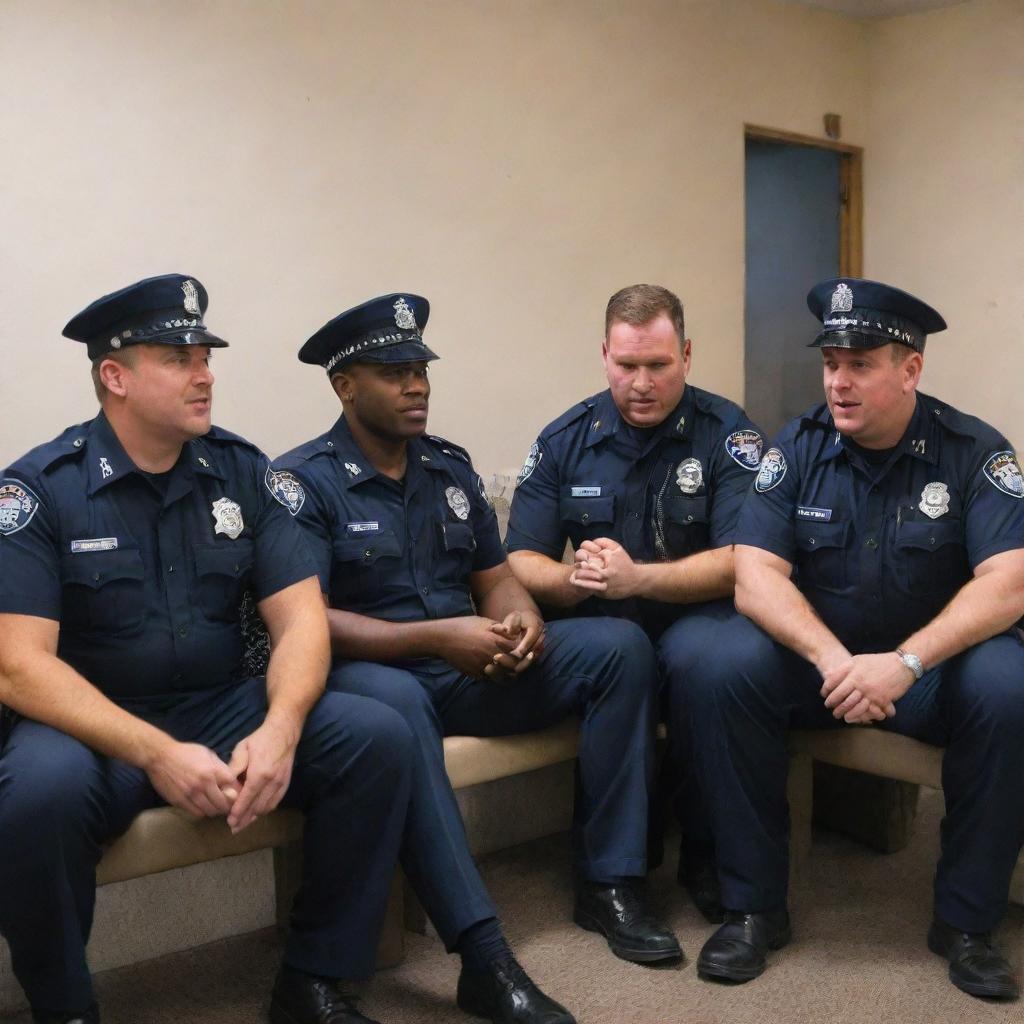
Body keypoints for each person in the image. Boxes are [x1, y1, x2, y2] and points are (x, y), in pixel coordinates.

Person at [0, 275, 415, 1024]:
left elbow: (302, 622)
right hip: (97, 726)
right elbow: (18, 665)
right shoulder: (40, 490)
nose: (205, 373)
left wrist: (282, 729)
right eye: (179, 358)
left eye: (206, 355)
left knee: (376, 738)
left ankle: (315, 978)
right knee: (37, 794)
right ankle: (65, 1009)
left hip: (223, 704)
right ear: (115, 377)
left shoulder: (243, 472)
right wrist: (155, 751)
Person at [274, 293, 681, 1024]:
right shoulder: (303, 483)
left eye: (422, 370)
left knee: (618, 646)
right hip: (371, 679)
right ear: (344, 386)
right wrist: (437, 638)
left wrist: (520, 622)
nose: (417, 386)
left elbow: (496, 580)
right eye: (395, 372)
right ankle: (484, 957)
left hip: (464, 668)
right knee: (395, 714)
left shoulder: (449, 473)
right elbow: (305, 622)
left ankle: (612, 881)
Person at [681, 278, 1024, 999]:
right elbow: (755, 578)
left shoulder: (974, 451)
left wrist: (905, 662)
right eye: (831, 362)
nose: (839, 380)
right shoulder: (797, 447)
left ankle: (966, 923)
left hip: (928, 674)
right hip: (825, 669)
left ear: (911, 370)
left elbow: (1010, 583)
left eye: (861, 363)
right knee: (720, 663)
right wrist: (835, 659)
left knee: (1007, 684)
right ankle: (753, 908)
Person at [504, 283, 764, 921]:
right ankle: (616, 878)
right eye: (626, 366)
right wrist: (577, 581)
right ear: (604, 356)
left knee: (707, 663)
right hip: (603, 621)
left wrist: (638, 579)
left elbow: (744, 560)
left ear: (688, 356)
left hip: (699, 617)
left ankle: (706, 852)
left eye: (658, 365)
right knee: (622, 655)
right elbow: (519, 558)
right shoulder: (566, 438)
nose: (641, 383)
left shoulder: (730, 434)